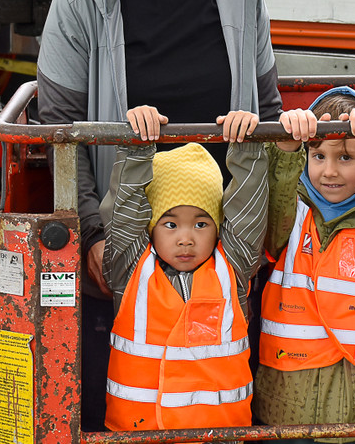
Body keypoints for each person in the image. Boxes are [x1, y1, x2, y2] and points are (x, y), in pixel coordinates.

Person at [36, 0, 283, 432]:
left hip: (221, 247)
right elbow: (60, 134)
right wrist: (94, 236)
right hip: (124, 252)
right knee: (119, 406)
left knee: (218, 403)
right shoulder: (83, 2)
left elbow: (270, 105)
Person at [253, 87, 355, 441]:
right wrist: (286, 146)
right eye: (318, 155)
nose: (329, 171)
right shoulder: (290, 210)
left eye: (346, 158)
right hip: (287, 404)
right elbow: (270, 198)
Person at [101, 137, 267, 430]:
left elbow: (248, 210)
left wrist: (247, 148)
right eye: (170, 224)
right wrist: (137, 147)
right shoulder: (129, 267)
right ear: (151, 226)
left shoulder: (233, 268)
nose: (186, 238)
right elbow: (123, 210)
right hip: (139, 436)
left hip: (219, 437)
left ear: (218, 228)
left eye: (201, 224)